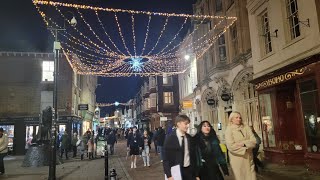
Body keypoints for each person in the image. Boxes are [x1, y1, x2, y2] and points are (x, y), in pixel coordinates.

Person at [163, 115, 198, 180]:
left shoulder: (189, 138)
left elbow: (193, 157)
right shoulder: (170, 138)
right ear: (178, 124)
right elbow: (166, 158)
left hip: (189, 171)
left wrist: (196, 174)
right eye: (185, 124)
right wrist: (168, 175)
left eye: (188, 124)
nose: (188, 126)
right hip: (176, 172)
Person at [225, 111, 257, 180]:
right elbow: (231, 146)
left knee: (252, 177)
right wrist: (246, 147)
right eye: (236, 118)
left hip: (249, 158)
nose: (239, 119)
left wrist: (244, 144)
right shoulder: (229, 130)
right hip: (237, 159)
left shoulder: (246, 127)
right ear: (232, 119)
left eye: (240, 117)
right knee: (240, 176)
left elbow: (254, 141)